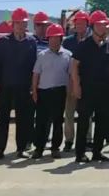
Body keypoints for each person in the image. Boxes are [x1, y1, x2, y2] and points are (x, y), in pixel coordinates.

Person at [0, 8, 38, 160]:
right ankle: (0, 149)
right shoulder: (3, 42)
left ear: (26, 24)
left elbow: (34, 65)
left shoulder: (31, 42)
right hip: (5, 86)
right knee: (3, 119)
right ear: (13, 24)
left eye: (23, 23)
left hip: (23, 86)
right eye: (17, 23)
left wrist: (33, 85)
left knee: (22, 119)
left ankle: (21, 148)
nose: (20, 26)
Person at [71, 10, 109, 163]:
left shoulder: (108, 45)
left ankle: (97, 152)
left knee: (102, 121)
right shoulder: (84, 45)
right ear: (92, 26)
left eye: (104, 25)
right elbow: (74, 66)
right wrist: (76, 86)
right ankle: (80, 153)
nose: (102, 27)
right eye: (99, 25)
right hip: (86, 89)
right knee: (84, 121)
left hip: (103, 89)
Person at [31, 23, 71, 159]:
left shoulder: (68, 55)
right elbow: (36, 74)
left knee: (58, 121)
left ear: (61, 39)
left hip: (60, 91)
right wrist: (34, 90)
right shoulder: (42, 55)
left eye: (57, 38)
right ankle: (39, 148)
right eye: (51, 38)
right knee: (41, 121)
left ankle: (55, 148)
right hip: (43, 91)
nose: (54, 41)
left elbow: (71, 75)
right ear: (48, 39)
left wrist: (70, 91)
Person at [61, 10, 91, 152]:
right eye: (77, 23)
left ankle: (87, 139)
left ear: (87, 24)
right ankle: (69, 140)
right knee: (69, 113)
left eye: (82, 23)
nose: (79, 26)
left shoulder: (92, 41)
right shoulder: (67, 42)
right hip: (70, 81)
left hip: (87, 82)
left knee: (86, 113)